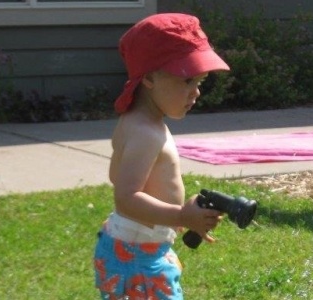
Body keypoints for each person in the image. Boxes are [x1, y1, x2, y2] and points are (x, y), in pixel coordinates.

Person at [93, 13, 229, 300]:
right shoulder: (146, 132)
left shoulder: (138, 121)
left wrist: (178, 217)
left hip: (134, 248)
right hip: (137, 258)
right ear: (151, 78)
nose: (197, 91)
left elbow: (118, 175)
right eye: (188, 80)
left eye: (200, 80)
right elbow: (126, 198)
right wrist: (180, 214)